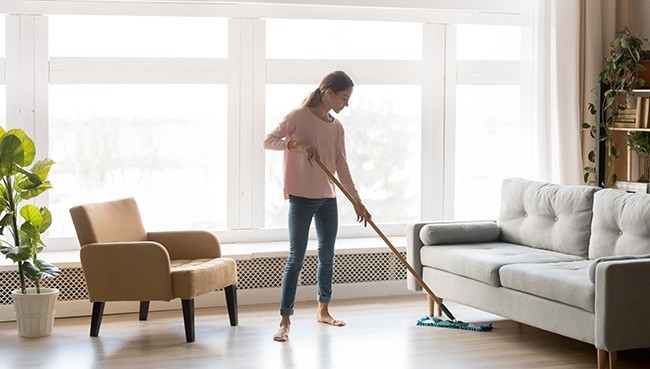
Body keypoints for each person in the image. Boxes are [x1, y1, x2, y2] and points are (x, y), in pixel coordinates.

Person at [263, 70, 371, 342]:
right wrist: (296, 144)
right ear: (329, 92)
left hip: (328, 200)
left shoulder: (336, 127)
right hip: (301, 198)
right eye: (344, 97)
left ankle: (323, 310)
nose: (346, 104)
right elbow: (269, 141)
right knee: (296, 258)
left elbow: (342, 167)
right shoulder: (298, 116)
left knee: (327, 256)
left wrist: (357, 202)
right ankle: (285, 320)